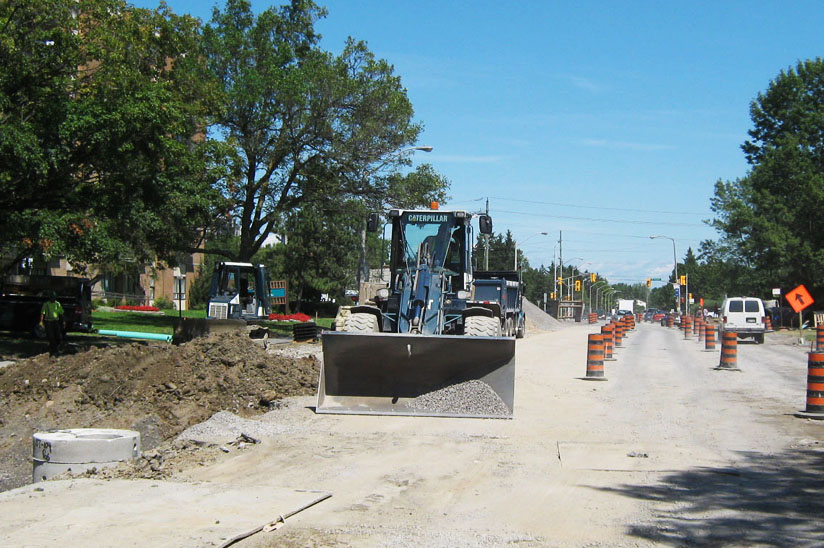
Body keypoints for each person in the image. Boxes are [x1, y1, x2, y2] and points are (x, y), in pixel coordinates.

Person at [40, 291, 64, 356]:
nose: (53, 299)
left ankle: (57, 348)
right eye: (52, 298)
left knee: (58, 336)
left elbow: (61, 313)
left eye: (54, 298)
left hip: (56, 321)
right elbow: (42, 313)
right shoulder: (46, 304)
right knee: (51, 336)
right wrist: (41, 321)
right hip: (48, 322)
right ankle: (52, 349)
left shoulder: (57, 304)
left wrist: (63, 321)